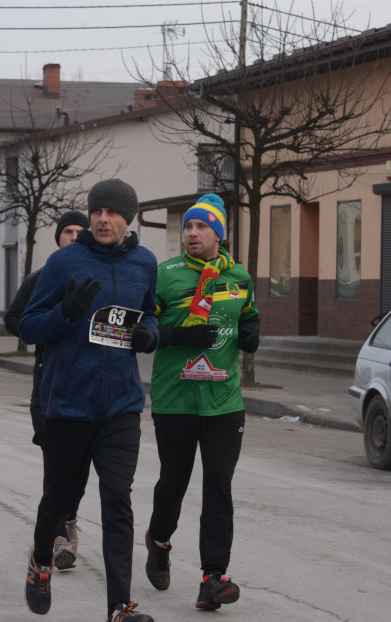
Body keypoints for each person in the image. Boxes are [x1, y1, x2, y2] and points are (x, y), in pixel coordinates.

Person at [19, 179, 158, 622]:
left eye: (112, 212)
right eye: (96, 211)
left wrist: (150, 336)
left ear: (127, 219)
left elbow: (151, 314)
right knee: (59, 501)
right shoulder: (64, 262)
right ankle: (41, 559)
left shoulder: (144, 262)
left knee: (117, 500)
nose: (101, 219)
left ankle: (119, 607)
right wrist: (65, 313)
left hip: (121, 406)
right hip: (69, 404)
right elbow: (27, 327)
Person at [143, 193, 261, 612]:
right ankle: (159, 541)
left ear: (219, 235)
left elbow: (248, 313)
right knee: (173, 483)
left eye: (202, 226)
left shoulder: (239, 276)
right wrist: (180, 336)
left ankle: (213, 577)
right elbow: (144, 328)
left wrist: (252, 332)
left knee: (218, 489)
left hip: (224, 403)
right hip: (176, 400)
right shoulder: (165, 275)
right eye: (189, 226)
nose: (192, 233)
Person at [4, 210, 89, 570]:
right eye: (67, 231)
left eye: (79, 231)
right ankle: (56, 539)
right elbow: (14, 319)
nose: (73, 236)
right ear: (58, 238)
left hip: (85, 385)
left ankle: (69, 518)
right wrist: (44, 328)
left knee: (78, 469)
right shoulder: (41, 278)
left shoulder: (98, 277)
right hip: (48, 384)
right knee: (55, 462)